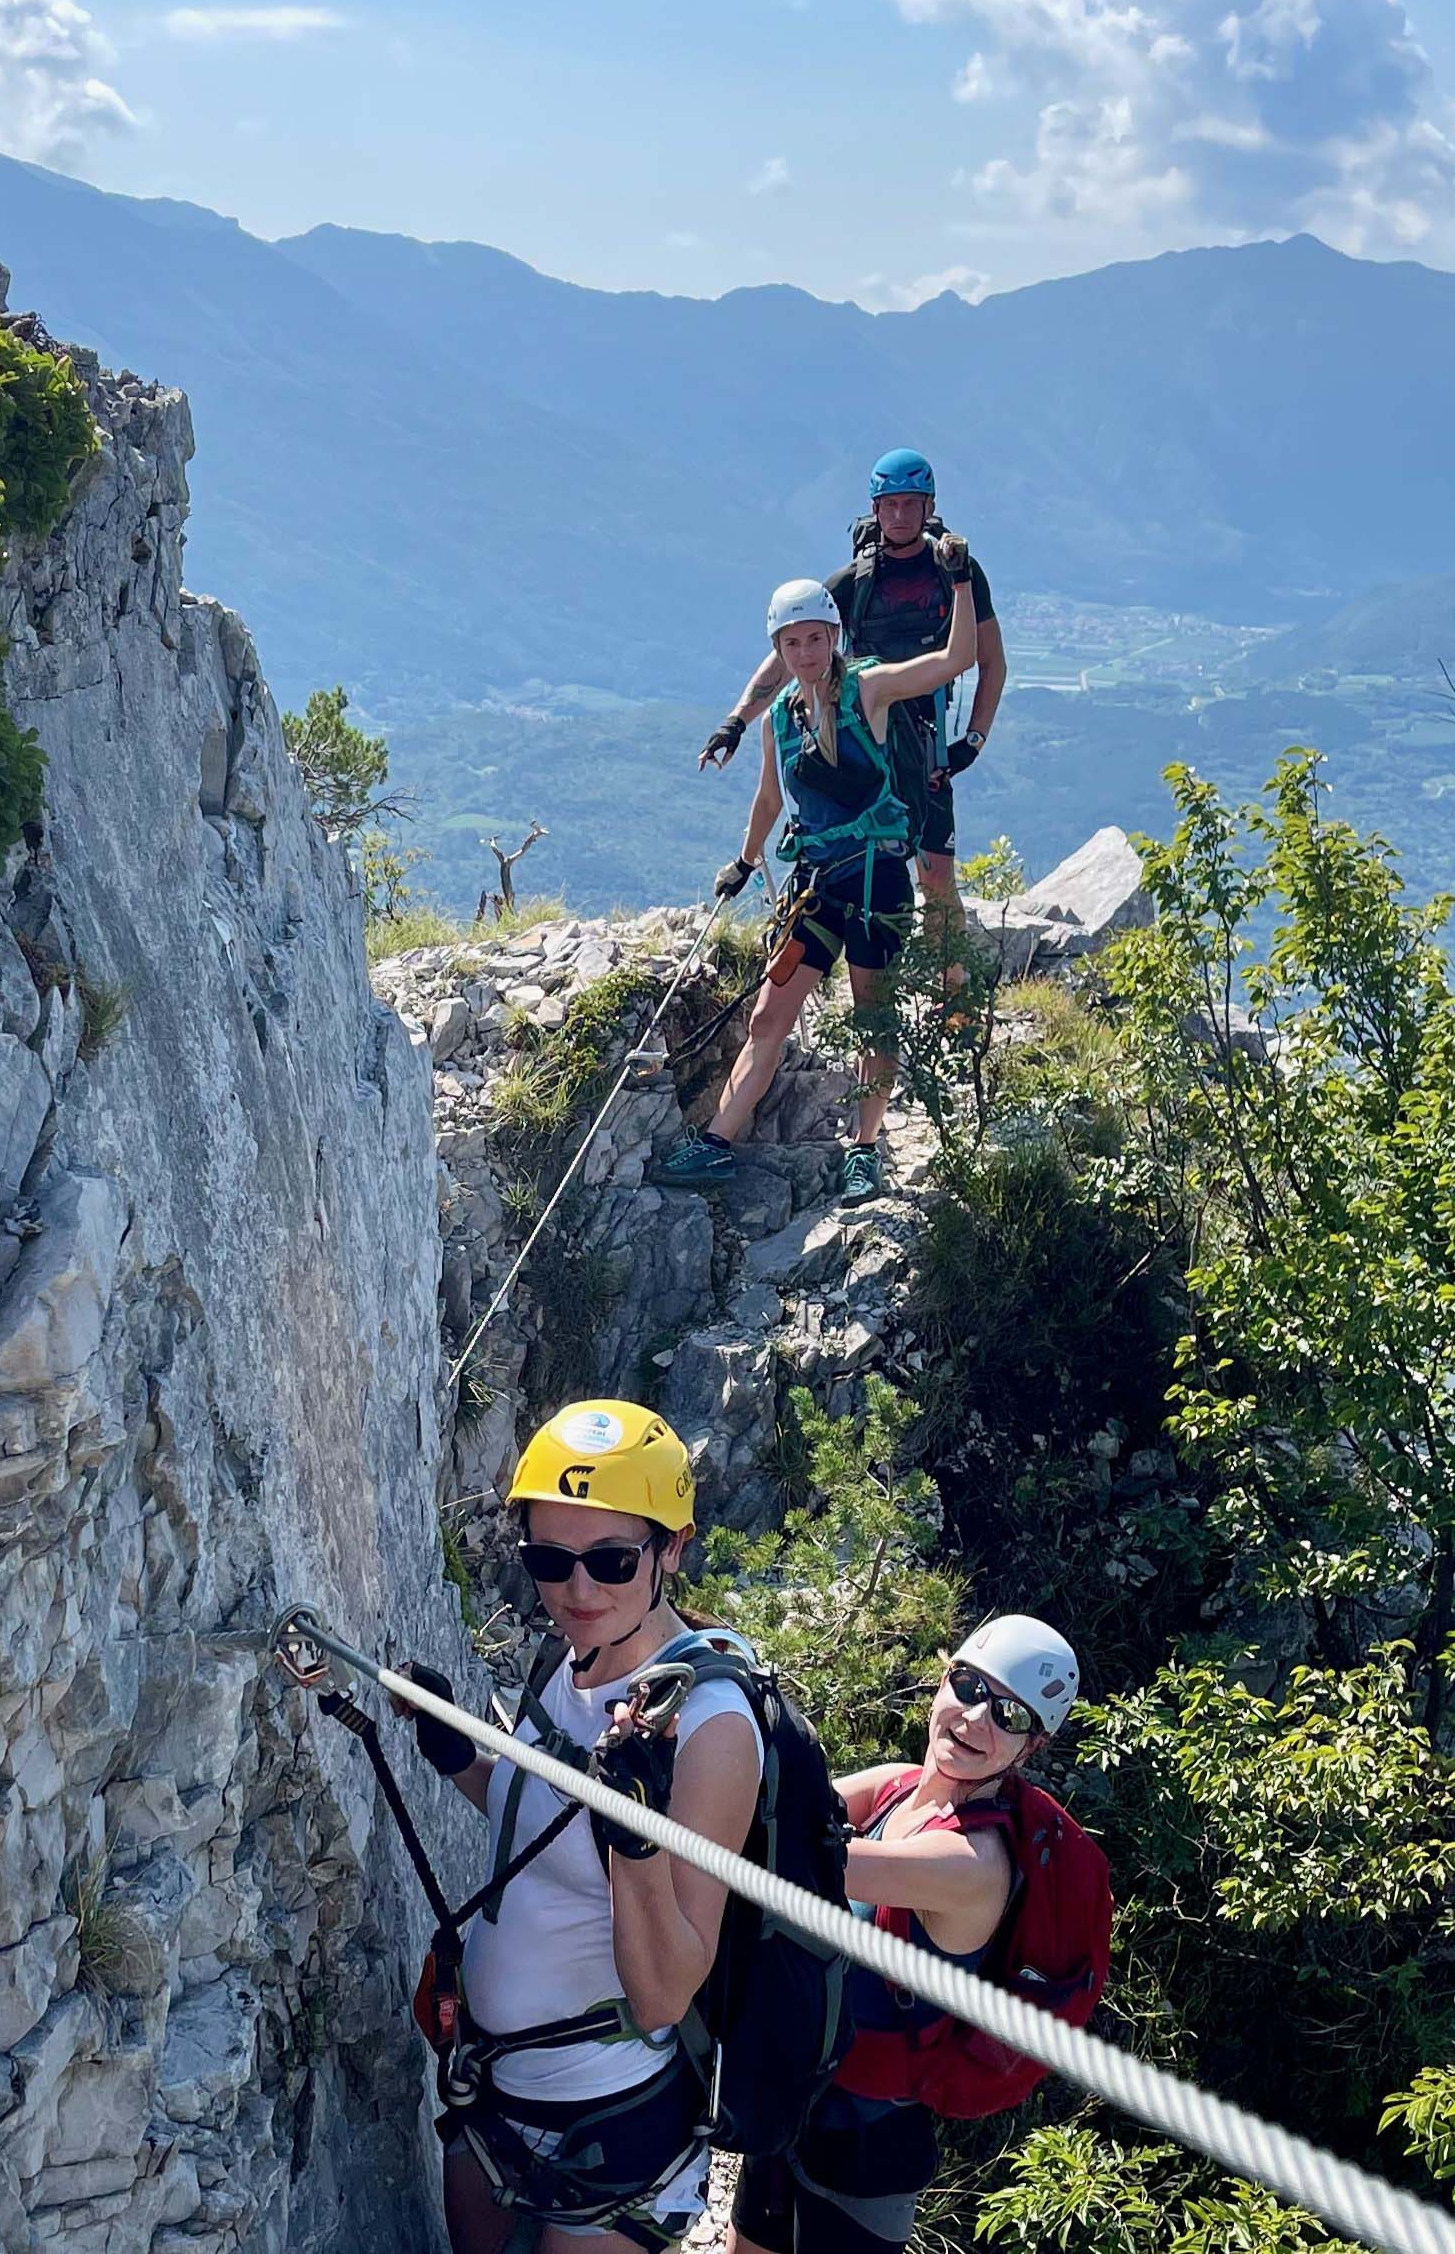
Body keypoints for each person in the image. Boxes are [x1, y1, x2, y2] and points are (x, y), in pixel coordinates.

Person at [408, 1401, 765, 2254]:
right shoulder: (569, 1659)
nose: (577, 1590)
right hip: (491, 2093)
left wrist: (635, 1841)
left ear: (672, 1547)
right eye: (549, 1558)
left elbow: (665, 1991)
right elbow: (543, 1832)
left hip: (607, 2130)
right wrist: (458, 1754)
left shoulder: (708, 1729)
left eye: (610, 1559)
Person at [729, 1616, 1081, 2254]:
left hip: (866, 2147)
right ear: (941, 1683)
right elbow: (780, 1808)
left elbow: (801, 1863)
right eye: (970, 1686)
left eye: (1011, 1715)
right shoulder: (896, 1787)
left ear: (1031, 1748)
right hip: (796, 2092)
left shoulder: (973, 1865)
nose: (978, 1719)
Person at [652, 572, 978, 1206]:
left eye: (814, 639)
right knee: (770, 1014)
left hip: (878, 882)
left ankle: (863, 1148)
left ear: (834, 636)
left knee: (871, 1016)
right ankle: (717, 1144)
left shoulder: (871, 690)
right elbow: (771, 798)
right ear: (779, 650)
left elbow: (955, 659)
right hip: (819, 886)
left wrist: (960, 583)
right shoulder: (780, 717)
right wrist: (744, 863)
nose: (804, 653)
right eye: (791, 643)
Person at [705, 448, 1007, 962]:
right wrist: (736, 722)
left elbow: (987, 662)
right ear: (874, 508)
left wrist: (973, 740)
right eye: (889, 505)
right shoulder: (853, 582)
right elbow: (788, 652)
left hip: (926, 742)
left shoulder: (958, 574)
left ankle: (948, 994)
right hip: (865, 737)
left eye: (910, 504)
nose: (899, 516)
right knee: (859, 852)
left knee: (935, 873)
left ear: (929, 505)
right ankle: (870, 972)